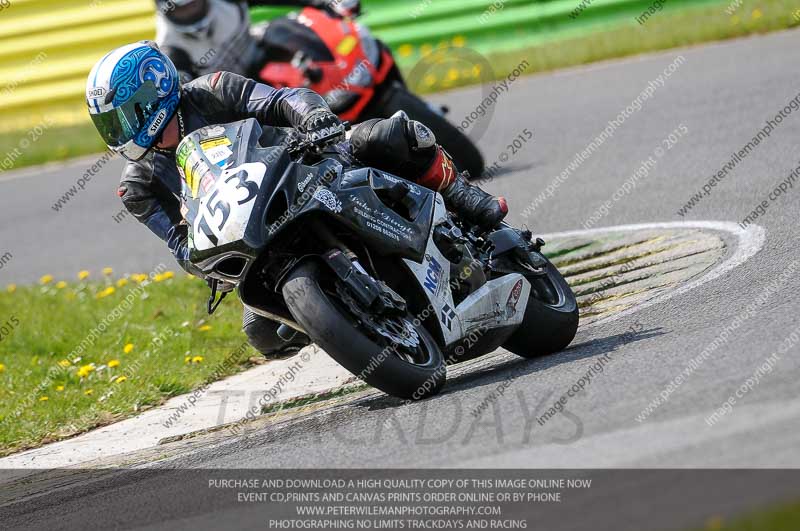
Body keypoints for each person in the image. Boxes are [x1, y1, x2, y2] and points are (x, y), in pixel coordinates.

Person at [86, 41, 507, 357]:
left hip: (307, 168)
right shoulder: (137, 188)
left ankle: (463, 197)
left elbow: (281, 100)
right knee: (261, 332)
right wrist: (202, 264)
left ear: (154, 90)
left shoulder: (211, 90)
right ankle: (353, 325)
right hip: (258, 241)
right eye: (110, 123)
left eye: (127, 114)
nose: (121, 131)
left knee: (393, 134)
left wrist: (313, 116)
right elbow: (180, 245)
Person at [154, 0, 360, 82]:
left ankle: (341, 74)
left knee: (280, 29)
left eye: (193, 3)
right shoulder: (170, 50)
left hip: (262, 60)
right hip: (234, 104)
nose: (191, 11)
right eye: (182, 8)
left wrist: (322, 2)